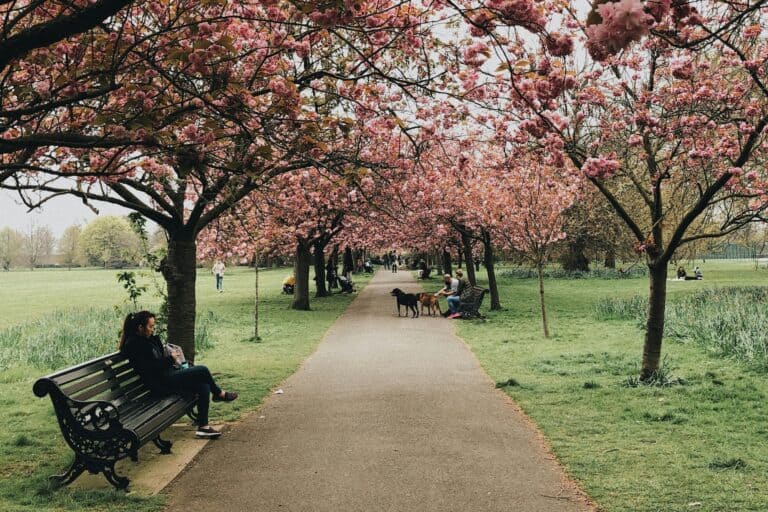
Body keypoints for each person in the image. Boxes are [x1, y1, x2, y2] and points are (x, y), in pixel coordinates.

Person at [119, 311, 237, 439]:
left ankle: (203, 427)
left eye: (154, 326)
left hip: (167, 376)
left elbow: (156, 359)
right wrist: (171, 359)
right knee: (202, 370)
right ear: (140, 328)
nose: (153, 329)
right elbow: (149, 369)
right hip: (160, 383)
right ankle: (219, 394)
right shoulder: (135, 345)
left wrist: (166, 353)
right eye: (150, 327)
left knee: (203, 386)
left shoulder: (146, 339)